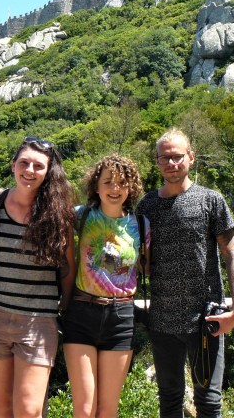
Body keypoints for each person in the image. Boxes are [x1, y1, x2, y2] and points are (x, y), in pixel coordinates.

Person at [135, 128, 234, 418]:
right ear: (157, 162)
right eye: (165, 158)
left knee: (208, 402)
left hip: (206, 319)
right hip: (162, 320)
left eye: (177, 156)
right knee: (169, 401)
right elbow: (140, 261)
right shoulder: (146, 206)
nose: (171, 163)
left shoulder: (211, 200)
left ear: (191, 157)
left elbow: (232, 252)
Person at [0, 137, 76, 418]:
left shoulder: (58, 215)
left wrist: (63, 308)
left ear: (48, 172)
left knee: (29, 409)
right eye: (24, 163)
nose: (30, 170)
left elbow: (68, 268)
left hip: (39, 321)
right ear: (13, 166)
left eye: (38, 166)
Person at [62, 154, 150, 418]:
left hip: (121, 317)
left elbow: (148, 267)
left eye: (122, 183)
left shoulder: (141, 226)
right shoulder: (81, 216)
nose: (115, 189)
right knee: (84, 409)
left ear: (131, 187)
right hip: (81, 312)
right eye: (108, 181)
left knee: (108, 409)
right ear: (96, 186)